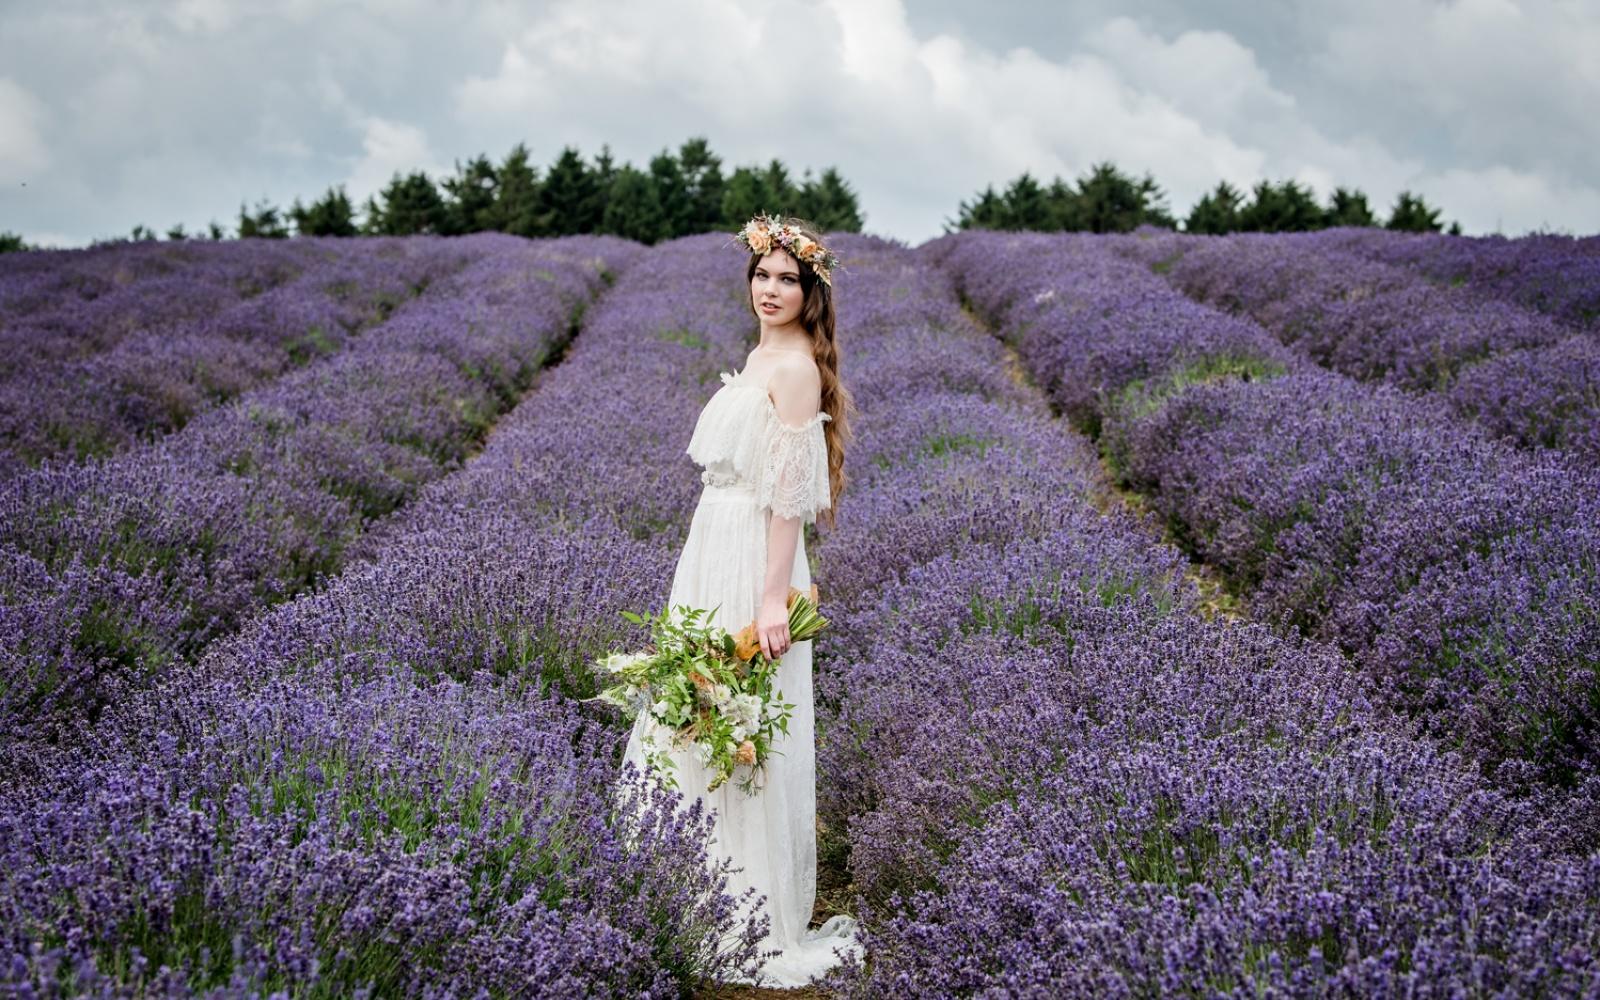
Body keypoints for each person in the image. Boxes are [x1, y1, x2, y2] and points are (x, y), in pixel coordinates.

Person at [620, 214, 861, 987]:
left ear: (810, 290)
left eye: (788, 279)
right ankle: (688, 889)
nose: (771, 289)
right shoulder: (763, 352)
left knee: (737, 720)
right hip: (713, 545)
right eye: (764, 275)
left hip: (754, 560)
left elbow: (788, 499)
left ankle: (742, 907)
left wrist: (769, 603)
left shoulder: (794, 368)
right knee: (696, 712)